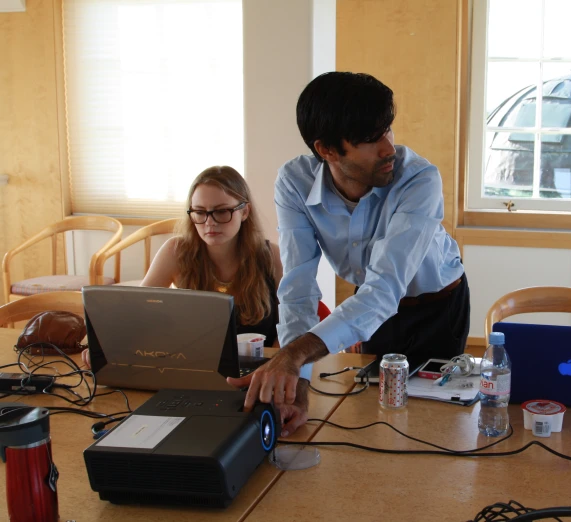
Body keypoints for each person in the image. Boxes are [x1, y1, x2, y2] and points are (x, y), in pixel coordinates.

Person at [228, 72, 470, 436]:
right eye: (371, 140)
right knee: (373, 412)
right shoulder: (294, 182)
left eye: (387, 130)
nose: (389, 148)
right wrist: (299, 386)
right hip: (371, 305)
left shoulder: (419, 179)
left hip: (438, 305)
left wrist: (292, 356)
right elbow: (298, 290)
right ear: (326, 149)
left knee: (434, 421)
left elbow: (384, 289)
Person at [82, 165, 282, 363]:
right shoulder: (176, 251)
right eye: (199, 212)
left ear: (245, 211)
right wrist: (107, 345)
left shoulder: (271, 256)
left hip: (257, 370)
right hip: (193, 366)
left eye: (221, 212)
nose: (209, 222)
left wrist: (276, 361)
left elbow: (289, 328)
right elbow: (139, 314)